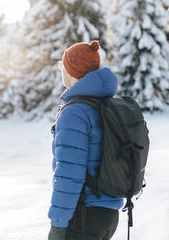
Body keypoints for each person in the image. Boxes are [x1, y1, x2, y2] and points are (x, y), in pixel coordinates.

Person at [48, 41, 124, 240]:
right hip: (109, 215)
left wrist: (57, 224)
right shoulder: (103, 104)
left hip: (84, 215)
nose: (61, 69)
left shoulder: (74, 113)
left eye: (62, 65)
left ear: (72, 71)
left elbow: (69, 173)